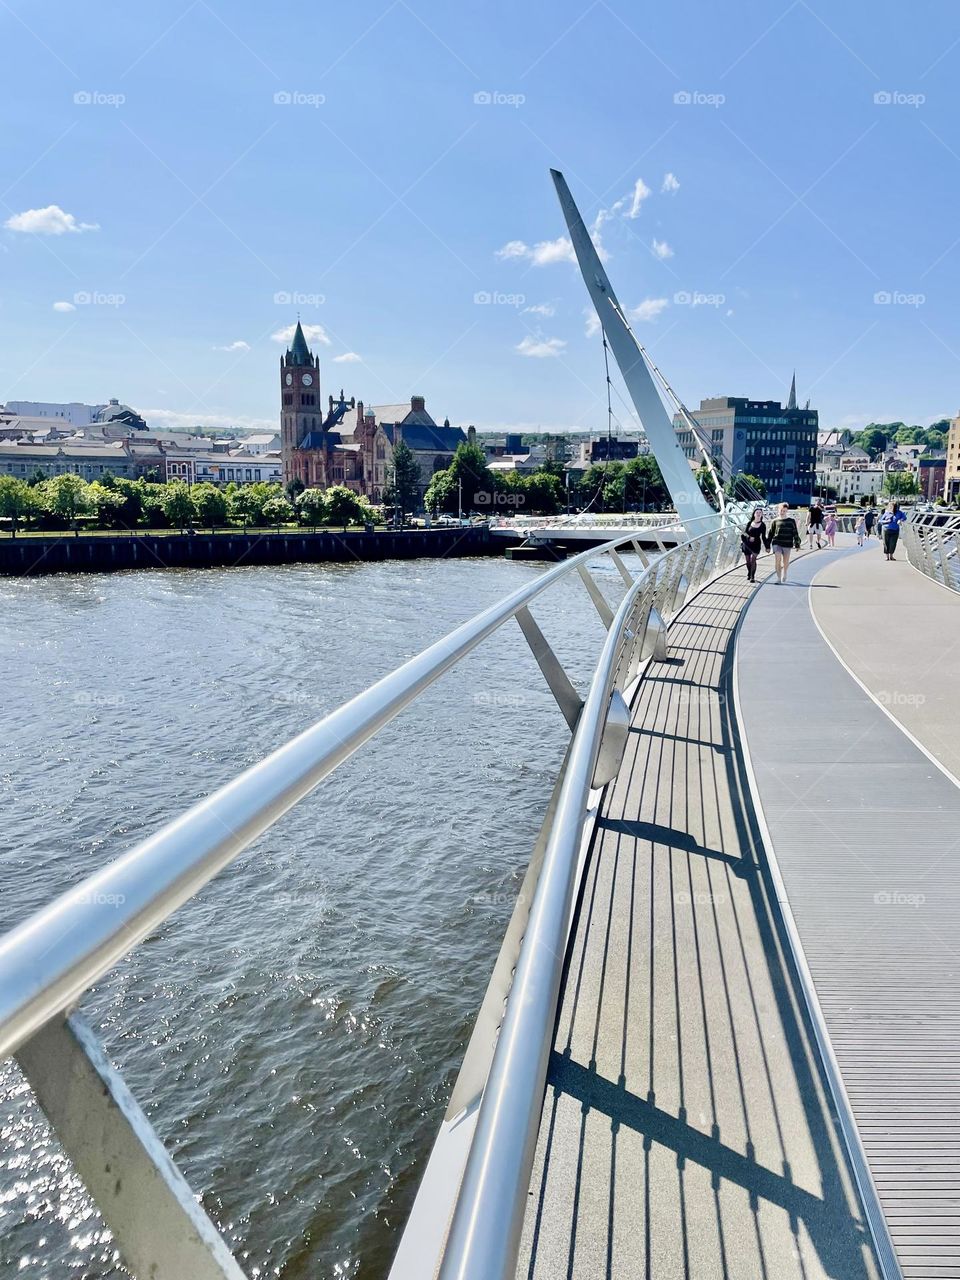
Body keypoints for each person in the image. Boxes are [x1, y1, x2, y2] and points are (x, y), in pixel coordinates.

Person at [764, 502, 802, 583]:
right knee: (777, 560)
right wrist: (767, 546)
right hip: (777, 542)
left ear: (787, 511)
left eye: (784, 511)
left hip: (787, 543)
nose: (782, 512)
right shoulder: (774, 521)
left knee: (785, 562)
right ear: (778, 510)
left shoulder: (791, 521)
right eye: (781, 510)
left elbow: (795, 532)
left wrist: (797, 544)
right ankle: (778, 578)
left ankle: (785, 573)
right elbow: (770, 533)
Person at [740, 507, 766, 583]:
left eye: (760, 513)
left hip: (756, 544)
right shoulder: (749, 523)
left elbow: (764, 537)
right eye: (757, 512)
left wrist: (767, 546)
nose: (758, 514)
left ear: (761, 515)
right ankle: (749, 572)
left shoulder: (763, 525)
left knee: (753, 560)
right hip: (747, 544)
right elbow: (744, 533)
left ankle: (752, 576)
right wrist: (749, 537)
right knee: (748, 561)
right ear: (754, 514)